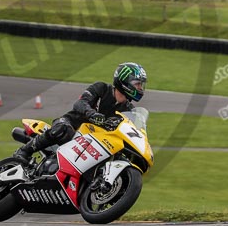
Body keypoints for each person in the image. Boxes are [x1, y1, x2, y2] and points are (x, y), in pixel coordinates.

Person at [13, 62, 147, 164]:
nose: (140, 88)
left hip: (94, 142)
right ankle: (24, 151)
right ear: (124, 81)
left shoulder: (129, 110)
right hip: (72, 125)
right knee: (63, 129)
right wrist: (91, 114)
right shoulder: (101, 88)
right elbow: (80, 103)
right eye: (137, 84)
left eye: (141, 85)